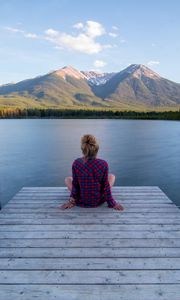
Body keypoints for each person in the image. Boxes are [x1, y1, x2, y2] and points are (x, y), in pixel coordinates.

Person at [61, 134, 124, 211]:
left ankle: (75, 198)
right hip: (98, 200)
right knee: (111, 176)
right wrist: (112, 203)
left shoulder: (76, 163)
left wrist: (71, 200)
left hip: (81, 200)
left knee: (68, 179)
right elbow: (106, 186)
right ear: (96, 149)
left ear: (83, 149)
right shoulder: (103, 164)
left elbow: (75, 185)